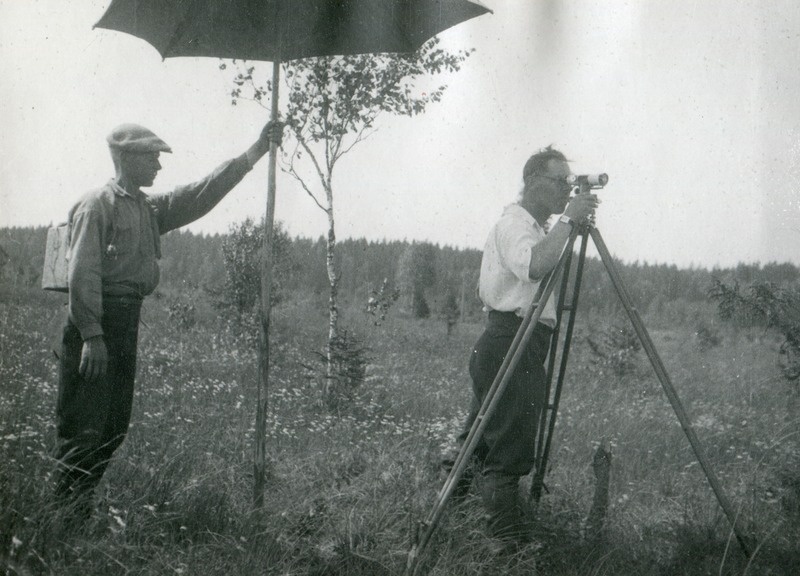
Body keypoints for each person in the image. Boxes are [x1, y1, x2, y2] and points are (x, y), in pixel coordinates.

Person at [53, 121, 283, 523]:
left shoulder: (146, 208)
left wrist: (255, 152)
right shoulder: (97, 205)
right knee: (83, 429)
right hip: (96, 325)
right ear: (126, 158)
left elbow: (198, 195)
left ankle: (76, 510)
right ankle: (61, 518)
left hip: (124, 324)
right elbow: (81, 274)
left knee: (112, 429)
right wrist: (92, 335)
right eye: (152, 156)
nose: (159, 165)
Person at [468, 146, 599, 546]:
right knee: (507, 449)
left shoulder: (536, 227)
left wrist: (565, 222)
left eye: (570, 183)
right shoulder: (515, 225)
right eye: (560, 182)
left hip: (518, 341)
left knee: (479, 439)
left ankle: (462, 520)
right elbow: (536, 265)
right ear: (532, 183)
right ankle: (506, 544)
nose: (566, 190)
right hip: (512, 339)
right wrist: (569, 220)